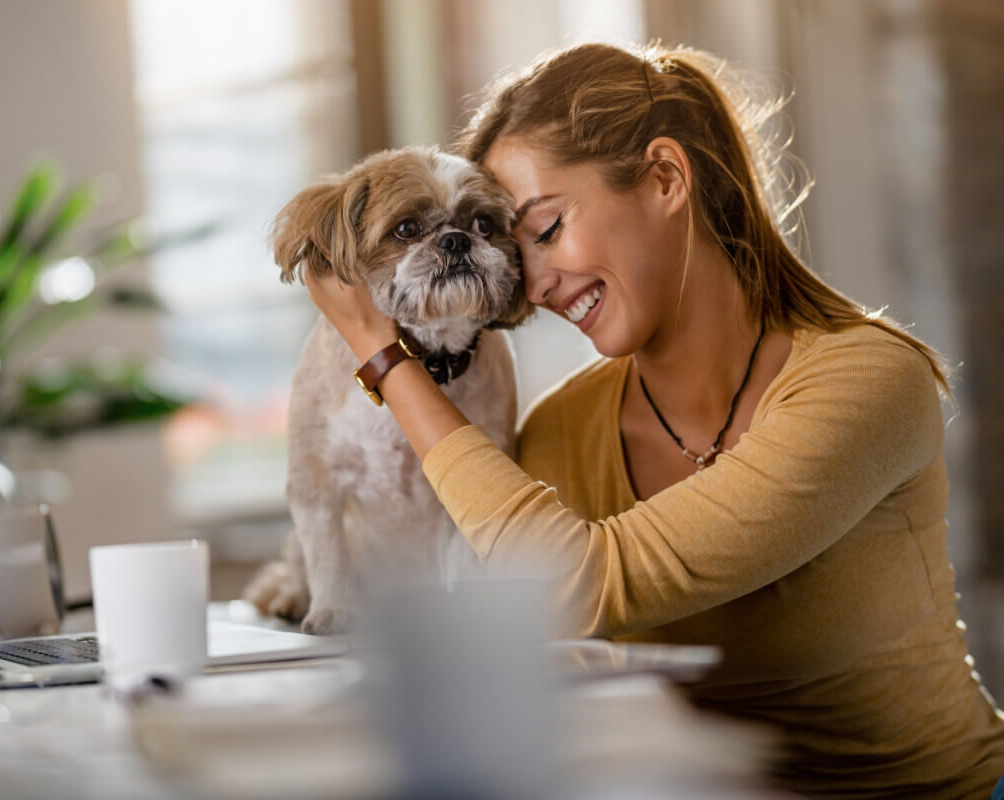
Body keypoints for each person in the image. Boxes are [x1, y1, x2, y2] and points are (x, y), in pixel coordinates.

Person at [301, 41, 1004, 798]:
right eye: (517, 248)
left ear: (666, 178)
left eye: (543, 232)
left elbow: (577, 586)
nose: (532, 285)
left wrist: (380, 351)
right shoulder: (564, 426)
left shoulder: (867, 380)